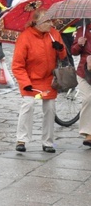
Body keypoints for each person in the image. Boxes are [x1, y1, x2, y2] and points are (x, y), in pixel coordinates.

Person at [12, 9, 66, 153]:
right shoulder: (25, 37)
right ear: (36, 22)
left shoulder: (54, 34)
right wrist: (25, 83)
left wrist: (60, 49)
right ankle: (21, 139)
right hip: (30, 80)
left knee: (50, 108)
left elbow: (63, 56)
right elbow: (17, 66)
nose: (50, 23)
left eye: (50, 20)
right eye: (47, 21)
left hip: (48, 79)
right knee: (28, 105)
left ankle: (47, 142)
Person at [71, 23, 91, 147]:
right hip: (85, 73)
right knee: (88, 98)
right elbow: (73, 51)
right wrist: (79, 43)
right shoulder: (83, 30)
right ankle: (88, 132)